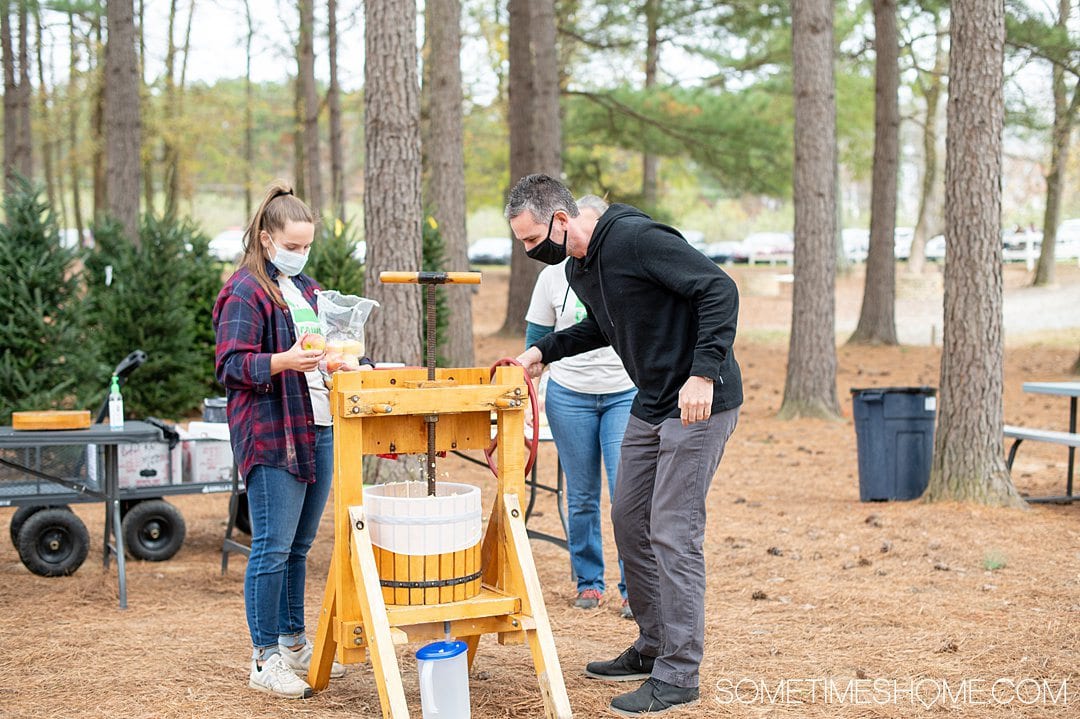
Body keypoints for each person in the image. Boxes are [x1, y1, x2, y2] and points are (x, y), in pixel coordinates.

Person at [508, 174, 742, 716]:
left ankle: (679, 673)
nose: (527, 251)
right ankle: (653, 644)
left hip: (699, 400)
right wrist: (543, 352)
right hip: (654, 398)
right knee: (628, 517)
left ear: (561, 221)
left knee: (672, 528)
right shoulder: (577, 267)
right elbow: (604, 327)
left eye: (529, 239)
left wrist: (704, 373)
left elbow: (718, 288)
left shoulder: (636, 240)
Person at [213, 181, 372, 699]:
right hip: (271, 432)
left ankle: (292, 640)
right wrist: (284, 361)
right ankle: (263, 658)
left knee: (300, 546)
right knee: (272, 547)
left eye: (307, 246)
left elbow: (324, 349)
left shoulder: (305, 289)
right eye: (293, 245)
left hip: (317, 426)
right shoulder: (246, 290)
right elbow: (231, 365)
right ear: (265, 238)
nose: (301, 254)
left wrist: (349, 362)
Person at [525, 194, 637, 618]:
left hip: (623, 391)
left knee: (625, 493)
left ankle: (634, 586)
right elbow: (537, 338)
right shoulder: (554, 276)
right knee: (582, 495)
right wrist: (530, 375)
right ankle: (589, 582)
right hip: (569, 394)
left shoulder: (615, 267)